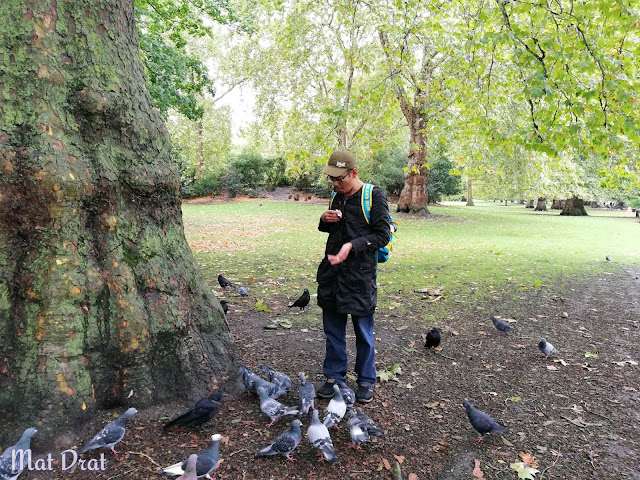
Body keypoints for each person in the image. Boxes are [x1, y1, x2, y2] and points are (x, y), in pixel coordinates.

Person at [315, 150, 390, 403]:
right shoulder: (336, 195)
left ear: (354, 173)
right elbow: (331, 229)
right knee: (333, 331)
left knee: (363, 333)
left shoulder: (373, 196)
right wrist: (324, 220)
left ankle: (366, 380)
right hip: (332, 274)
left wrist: (352, 246)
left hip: (359, 277)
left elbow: (383, 235)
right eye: (332, 180)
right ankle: (334, 376)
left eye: (340, 179)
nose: (336, 185)